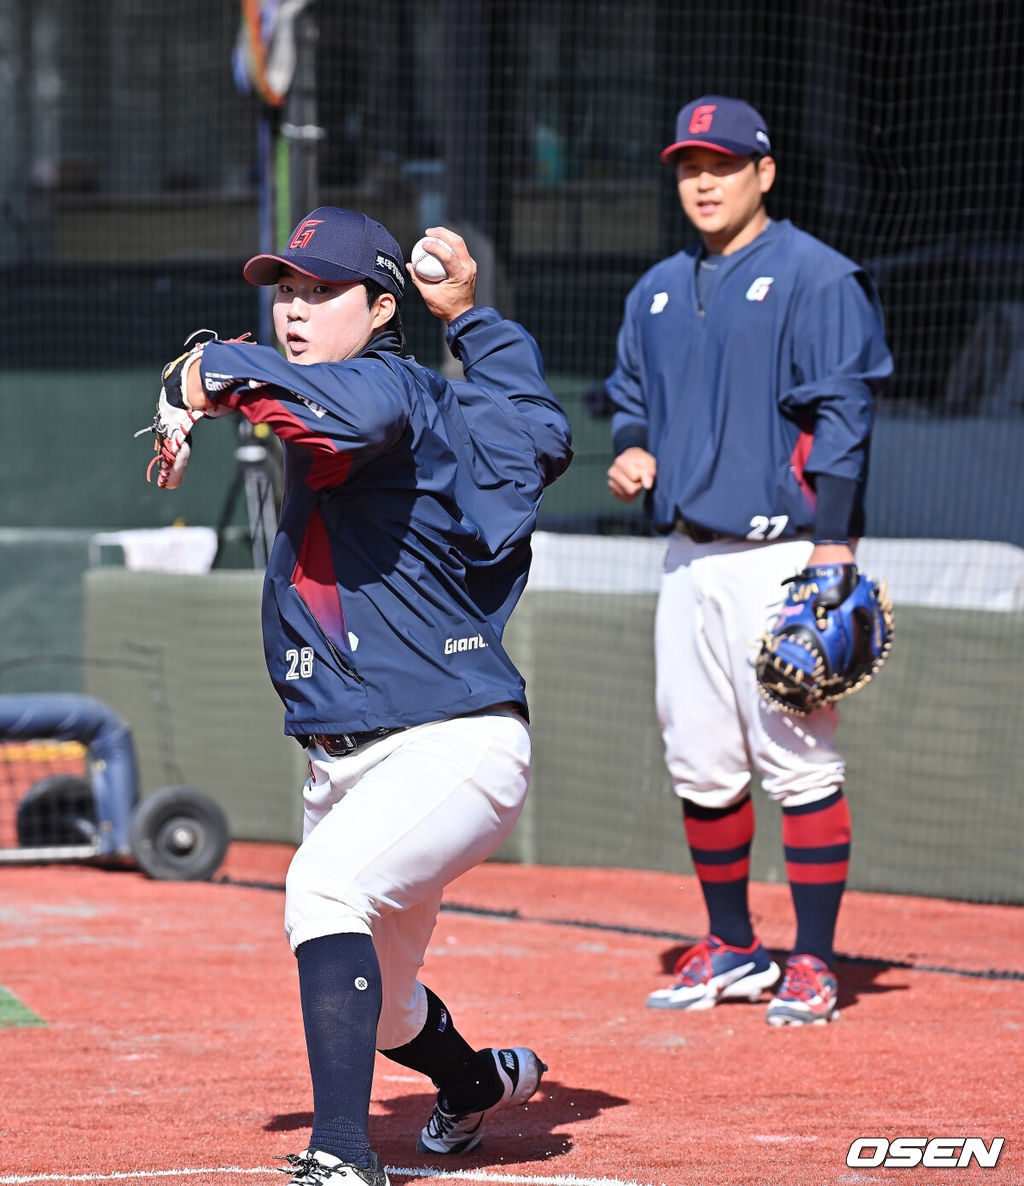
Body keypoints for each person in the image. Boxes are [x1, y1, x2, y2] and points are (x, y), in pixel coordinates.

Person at [149, 207, 572, 1183]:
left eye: (321, 290)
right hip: (350, 757)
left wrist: (213, 369)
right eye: (285, 289)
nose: (294, 309)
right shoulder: (432, 396)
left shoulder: (383, 384)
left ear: (381, 307)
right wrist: (473, 315)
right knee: (383, 1005)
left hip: (448, 743)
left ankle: (342, 1157)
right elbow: (531, 414)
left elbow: (350, 412)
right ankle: (474, 1081)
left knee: (323, 888)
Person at [604, 96, 892, 1025]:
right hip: (685, 558)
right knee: (700, 762)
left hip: (783, 559)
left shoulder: (818, 276)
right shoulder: (654, 286)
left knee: (799, 763)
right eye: (690, 165)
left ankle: (813, 958)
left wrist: (835, 548)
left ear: (764, 172)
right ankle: (734, 945)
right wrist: (632, 445)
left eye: (723, 164)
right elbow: (630, 394)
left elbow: (846, 414)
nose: (703, 180)